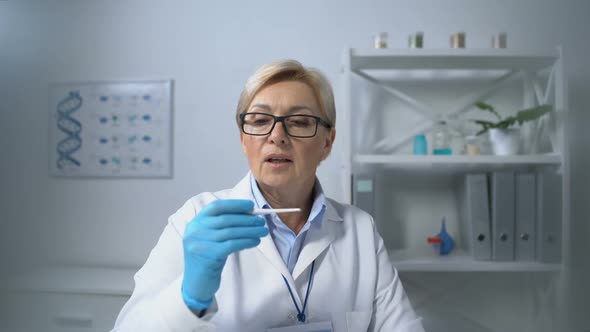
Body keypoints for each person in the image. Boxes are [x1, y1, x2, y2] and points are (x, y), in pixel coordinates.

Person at [112, 60, 424, 332]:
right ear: (243, 138)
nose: (277, 136)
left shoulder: (359, 231)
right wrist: (188, 298)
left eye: (300, 122)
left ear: (327, 142)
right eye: (260, 121)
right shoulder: (195, 218)